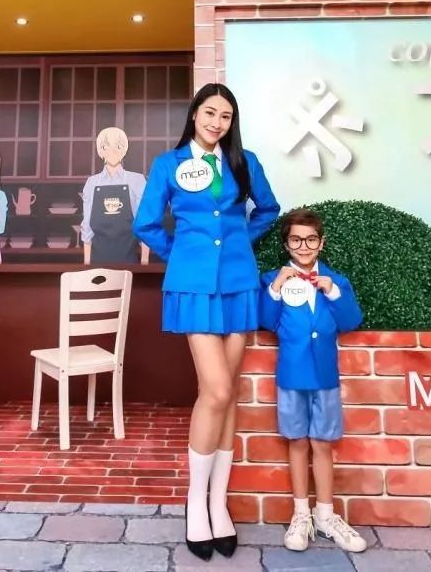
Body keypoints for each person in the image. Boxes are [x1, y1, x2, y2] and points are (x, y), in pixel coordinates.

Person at [134, 83, 280, 561]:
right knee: (215, 391)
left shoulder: (244, 161)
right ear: (194, 113)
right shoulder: (168, 164)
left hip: (238, 282)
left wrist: (239, 240)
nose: (217, 122)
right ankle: (195, 501)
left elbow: (269, 209)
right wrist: (183, 255)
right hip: (194, 285)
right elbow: (145, 224)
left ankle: (220, 503)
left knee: (228, 392)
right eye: (210, 112)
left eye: (226, 116)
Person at [259, 207, 367, 553]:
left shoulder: (337, 281)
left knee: (322, 443)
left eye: (310, 240)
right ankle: (301, 514)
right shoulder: (272, 279)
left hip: (325, 377)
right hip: (291, 376)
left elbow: (350, 321)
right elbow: (266, 321)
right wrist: (276, 286)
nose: (303, 246)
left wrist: (333, 292)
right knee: (297, 441)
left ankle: (326, 515)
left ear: (322, 242)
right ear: (286, 244)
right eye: (296, 240)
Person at [81, 127, 149, 265]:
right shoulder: (92, 182)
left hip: (129, 259)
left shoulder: (137, 180)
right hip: (97, 260)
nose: (113, 151)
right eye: (106, 146)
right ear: (100, 151)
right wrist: (86, 264)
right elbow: (87, 227)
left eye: (118, 146)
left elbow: (144, 224)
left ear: (124, 150)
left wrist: (144, 263)